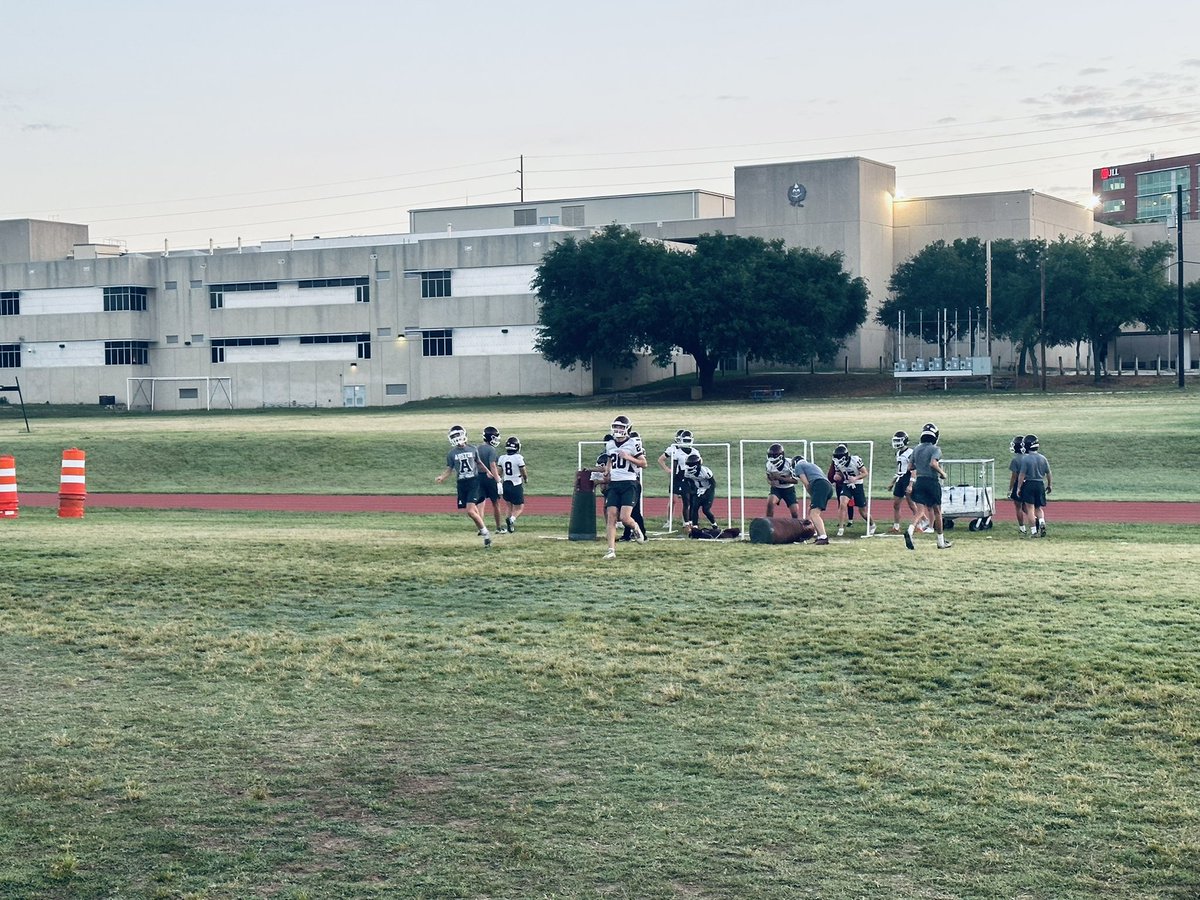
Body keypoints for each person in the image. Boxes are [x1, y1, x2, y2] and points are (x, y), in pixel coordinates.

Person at [434, 424, 491, 548]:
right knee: (472, 510)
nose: (457, 439)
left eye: (458, 435)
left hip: (473, 481)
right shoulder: (452, 453)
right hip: (461, 483)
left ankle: (485, 533)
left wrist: (488, 471)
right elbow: (450, 468)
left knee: (470, 511)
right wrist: (442, 477)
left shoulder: (472, 449)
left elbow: (479, 463)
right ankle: (483, 529)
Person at [602, 415, 647, 559]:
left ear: (627, 429)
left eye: (621, 427)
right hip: (614, 483)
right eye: (616, 426)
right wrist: (607, 470)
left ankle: (635, 527)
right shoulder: (609, 444)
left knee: (625, 518)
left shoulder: (633, 443)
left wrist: (628, 457)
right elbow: (610, 459)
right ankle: (611, 550)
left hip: (629, 483)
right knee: (611, 516)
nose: (618, 429)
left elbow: (644, 464)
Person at [904, 422, 951, 550]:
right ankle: (941, 541)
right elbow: (933, 464)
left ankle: (910, 529)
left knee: (920, 511)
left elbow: (909, 467)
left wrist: (920, 465)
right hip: (931, 481)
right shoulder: (935, 449)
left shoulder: (916, 449)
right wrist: (943, 473)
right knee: (937, 511)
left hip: (919, 481)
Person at [831, 443, 876, 537]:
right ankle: (841, 528)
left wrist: (855, 478)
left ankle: (872, 524)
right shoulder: (837, 463)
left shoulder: (855, 460)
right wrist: (837, 476)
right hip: (846, 484)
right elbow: (839, 473)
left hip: (857, 485)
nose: (837, 460)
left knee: (862, 511)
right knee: (842, 504)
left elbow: (865, 473)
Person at [791, 453, 834, 545]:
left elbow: (806, 483)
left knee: (814, 513)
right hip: (827, 486)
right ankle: (819, 536)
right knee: (812, 511)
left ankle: (823, 536)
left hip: (819, 485)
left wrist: (812, 497)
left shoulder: (799, 466)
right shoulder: (813, 465)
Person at [1016, 433, 1052, 538]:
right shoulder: (1043, 458)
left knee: (1030, 509)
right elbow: (1049, 473)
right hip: (1040, 483)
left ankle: (1034, 532)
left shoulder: (1025, 459)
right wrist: (1049, 485)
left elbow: (1021, 475)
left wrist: (1019, 487)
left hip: (1029, 484)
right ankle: (1041, 521)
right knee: (1038, 508)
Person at [657, 430, 695, 528]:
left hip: (687, 477)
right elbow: (661, 459)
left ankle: (685, 521)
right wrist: (667, 469)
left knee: (687, 500)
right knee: (673, 500)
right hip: (677, 477)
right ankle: (669, 521)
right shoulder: (672, 448)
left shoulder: (692, 450)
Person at [475, 425, 504, 534]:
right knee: (495, 503)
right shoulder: (491, 450)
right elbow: (492, 465)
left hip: (478, 477)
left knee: (480, 504)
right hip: (490, 478)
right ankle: (498, 527)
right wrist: (498, 480)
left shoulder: (477, 448)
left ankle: (481, 528)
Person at [887, 431, 918, 534]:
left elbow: (913, 469)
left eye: (898, 440)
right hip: (900, 479)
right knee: (896, 504)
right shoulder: (898, 453)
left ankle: (920, 524)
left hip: (907, 478)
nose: (896, 443)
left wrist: (910, 484)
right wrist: (893, 482)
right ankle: (896, 526)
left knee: (911, 503)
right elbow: (899, 470)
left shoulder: (910, 453)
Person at [499, 435, 528, 533]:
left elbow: (499, 472)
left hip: (505, 483)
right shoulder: (518, 458)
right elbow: (523, 470)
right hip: (516, 483)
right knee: (519, 507)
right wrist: (525, 478)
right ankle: (512, 520)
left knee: (508, 506)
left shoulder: (502, 458)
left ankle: (508, 526)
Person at [765, 443, 802, 519]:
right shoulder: (769, 464)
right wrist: (771, 482)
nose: (773, 463)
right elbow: (768, 478)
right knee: (770, 502)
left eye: (775, 461)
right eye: (772, 462)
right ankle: (769, 523)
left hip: (789, 489)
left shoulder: (790, 463)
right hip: (776, 489)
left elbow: (795, 481)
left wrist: (780, 478)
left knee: (795, 511)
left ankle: (795, 526)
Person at [683, 452, 718, 530]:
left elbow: (713, 484)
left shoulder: (705, 471)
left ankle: (714, 524)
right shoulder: (687, 473)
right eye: (688, 464)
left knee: (705, 509)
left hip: (708, 490)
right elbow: (688, 482)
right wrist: (693, 491)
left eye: (691, 465)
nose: (689, 466)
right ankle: (695, 526)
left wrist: (706, 491)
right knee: (694, 508)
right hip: (698, 490)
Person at [1007, 434, 1029, 535]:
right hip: (1029, 483)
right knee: (1028, 506)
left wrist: (1010, 489)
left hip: (1018, 485)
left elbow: (1014, 476)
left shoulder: (1016, 460)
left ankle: (1022, 528)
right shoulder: (1029, 457)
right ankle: (1036, 520)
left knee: (1018, 507)